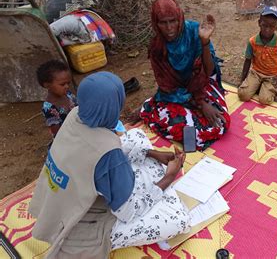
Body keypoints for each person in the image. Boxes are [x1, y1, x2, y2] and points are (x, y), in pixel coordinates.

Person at [29, 72, 190, 258]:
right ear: (114, 106)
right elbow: (128, 212)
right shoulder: (109, 155)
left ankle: (148, 167)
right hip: (82, 225)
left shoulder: (75, 114)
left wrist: (151, 153)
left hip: (56, 205)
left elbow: (92, 150)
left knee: (136, 137)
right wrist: (169, 177)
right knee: (178, 219)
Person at [140, 0, 230, 151]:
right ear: (156, 23)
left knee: (220, 122)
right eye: (163, 22)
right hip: (175, 95)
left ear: (179, 18)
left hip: (201, 86)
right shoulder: (157, 48)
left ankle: (188, 130)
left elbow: (208, 72)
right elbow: (167, 86)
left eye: (173, 21)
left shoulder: (195, 31)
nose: (169, 28)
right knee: (182, 123)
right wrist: (201, 104)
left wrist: (205, 42)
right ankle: (157, 110)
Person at [238, 5, 277, 105]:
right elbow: (247, 60)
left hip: (272, 75)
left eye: (272, 26)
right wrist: (243, 79)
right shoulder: (252, 42)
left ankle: (267, 88)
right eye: (264, 25)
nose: (267, 29)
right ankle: (259, 86)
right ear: (259, 23)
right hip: (256, 73)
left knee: (265, 100)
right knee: (243, 95)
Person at [36, 59, 77, 137]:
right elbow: (57, 133)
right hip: (66, 138)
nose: (67, 86)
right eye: (62, 84)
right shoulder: (49, 108)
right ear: (47, 85)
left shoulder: (69, 96)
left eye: (68, 83)